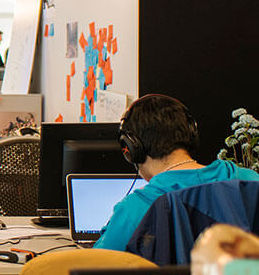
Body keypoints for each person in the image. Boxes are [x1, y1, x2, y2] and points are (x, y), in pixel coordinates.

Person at [95, 94, 259, 251]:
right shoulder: (249, 181)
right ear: (191, 133)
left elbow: (95, 267)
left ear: (131, 148)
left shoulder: (135, 208)